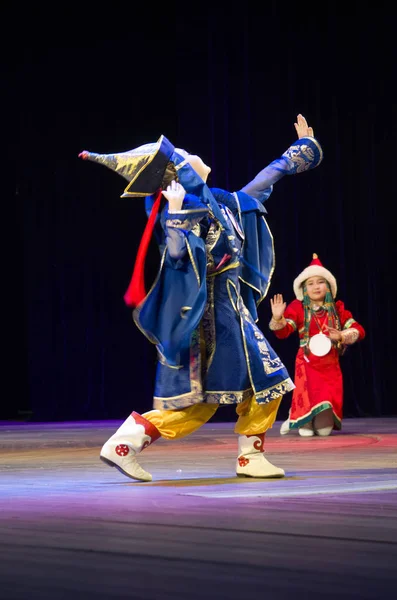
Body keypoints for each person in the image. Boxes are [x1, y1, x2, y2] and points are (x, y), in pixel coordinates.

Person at [78, 114, 323, 481]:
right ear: (176, 175)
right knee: (260, 385)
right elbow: (179, 258)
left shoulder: (227, 204)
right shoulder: (185, 209)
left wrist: (301, 149)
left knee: (224, 396)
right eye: (185, 155)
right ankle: (244, 457)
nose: (192, 153)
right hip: (214, 320)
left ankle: (127, 442)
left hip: (233, 316)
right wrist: (176, 216)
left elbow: (268, 177)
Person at [269, 253, 365, 437]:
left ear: (328, 286)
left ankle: (302, 417)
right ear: (304, 289)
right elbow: (283, 331)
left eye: (320, 282)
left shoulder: (338, 309)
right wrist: (277, 317)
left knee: (324, 431)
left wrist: (342, 335)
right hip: (306, 364)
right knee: (306, 432)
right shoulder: (298, 308)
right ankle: (296, 415)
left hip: (330, 365)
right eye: (310, 283)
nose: (316, 287)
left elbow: (358, 330)